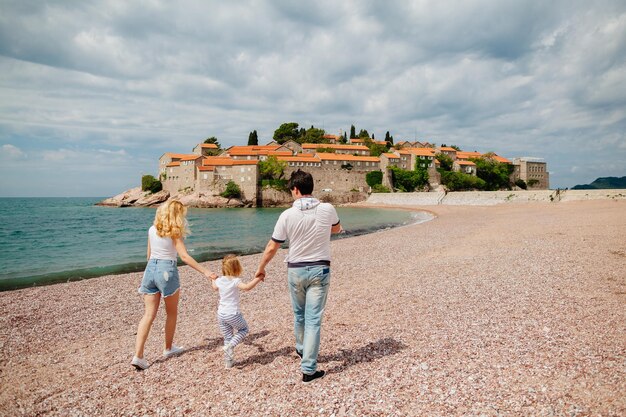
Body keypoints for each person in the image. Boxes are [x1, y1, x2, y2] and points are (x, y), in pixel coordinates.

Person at [255, 170, 342, 384]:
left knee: (299, 315)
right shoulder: (327, 208)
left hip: (295, 270)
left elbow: (272, 246)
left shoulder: (286, 215)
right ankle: (308, 369)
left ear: (295, 189)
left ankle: (303, 350)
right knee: (313, 319)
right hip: (320, 269)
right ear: (311, 187)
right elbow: (337, 229)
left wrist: (261, 267)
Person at [132, 200, 217, 370]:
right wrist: (206, 272)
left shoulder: (151, 229)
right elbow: (184, 257)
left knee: (148, 315)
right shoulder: (174, 232)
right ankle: (168, 348)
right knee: (171, 312)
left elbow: (148, 255)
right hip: (166, 270)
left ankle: (138, 356)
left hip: (150, 270)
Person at [212, 254, 263, 368]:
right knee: (244, 329)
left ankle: (228, 363)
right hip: (233, 314)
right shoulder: (235, 281)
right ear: (236, 268)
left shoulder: (219, 280)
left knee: (227, 337)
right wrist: (258, 279)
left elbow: (214, 287)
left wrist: (213, 279)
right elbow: (247, 287)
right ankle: (231, 345)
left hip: (221, 314)